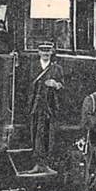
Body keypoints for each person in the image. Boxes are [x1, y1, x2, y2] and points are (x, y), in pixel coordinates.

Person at [27, 41, 65, 175]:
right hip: (35, 105)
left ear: (52, 52)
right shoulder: (33, 66)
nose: (45, 53)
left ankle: (44, 163)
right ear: (39, 52)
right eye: (43, 51)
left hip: (49, 105)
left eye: (48, 51)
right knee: (35, 133)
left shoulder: (56, 69)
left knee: (47, 134)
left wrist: (55, 84)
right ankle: (38, 163)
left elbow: (62, 86)